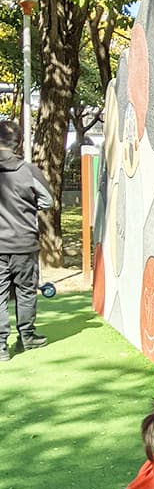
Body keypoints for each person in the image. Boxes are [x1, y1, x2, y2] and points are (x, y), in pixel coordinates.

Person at [0, 119, 51, 359]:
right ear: (18, 142)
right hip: (24, 241)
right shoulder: (28, 170)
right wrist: (28, 207)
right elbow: (47, 201)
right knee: (26, 290)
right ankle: (27, 337)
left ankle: (0, 346)